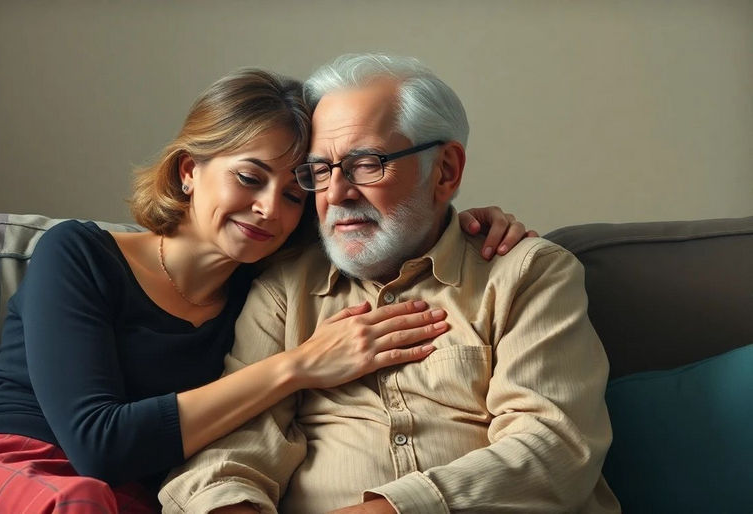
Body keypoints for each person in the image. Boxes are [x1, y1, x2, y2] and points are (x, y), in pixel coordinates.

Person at [0, 68, 533, 513]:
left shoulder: (267, 288)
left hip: (115, 497)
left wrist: (469, 223)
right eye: (248, 177)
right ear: (189, 171)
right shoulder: (79, 254)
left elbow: (382, 225)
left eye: (295, 190)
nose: (270, 208)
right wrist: (297, 366)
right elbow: (98, 441)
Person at [159, 54, 620, 513]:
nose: (337, 193)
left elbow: (554, 447)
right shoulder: (283, 290)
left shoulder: (526, 274)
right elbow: (230, 452)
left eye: (366, 164)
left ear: (445, 172)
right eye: (320, 171)